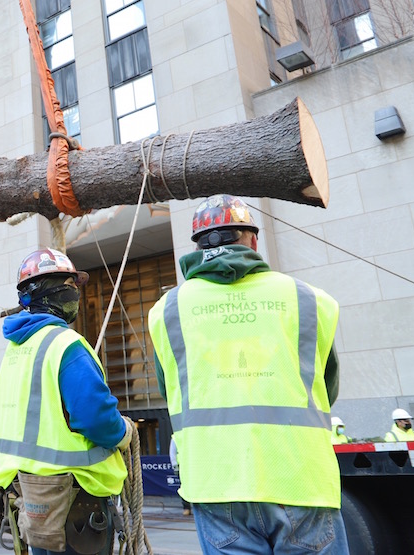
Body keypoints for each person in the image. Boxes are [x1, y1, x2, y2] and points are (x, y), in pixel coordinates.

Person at [148, 194, 348, 554]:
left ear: (198, 245)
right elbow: (326, 388)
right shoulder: (307, 299)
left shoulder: (168, 310)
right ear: (252, 241)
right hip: (301, 477)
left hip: (216, 482)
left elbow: (171, 390)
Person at [0, 248, 131, 555]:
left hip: (28, 498)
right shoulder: (66, 345)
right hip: (74, 501)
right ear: (51, 291)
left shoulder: (16, 352)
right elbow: (95, 418)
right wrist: (124, 433)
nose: (74, 292)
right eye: (69, 285)